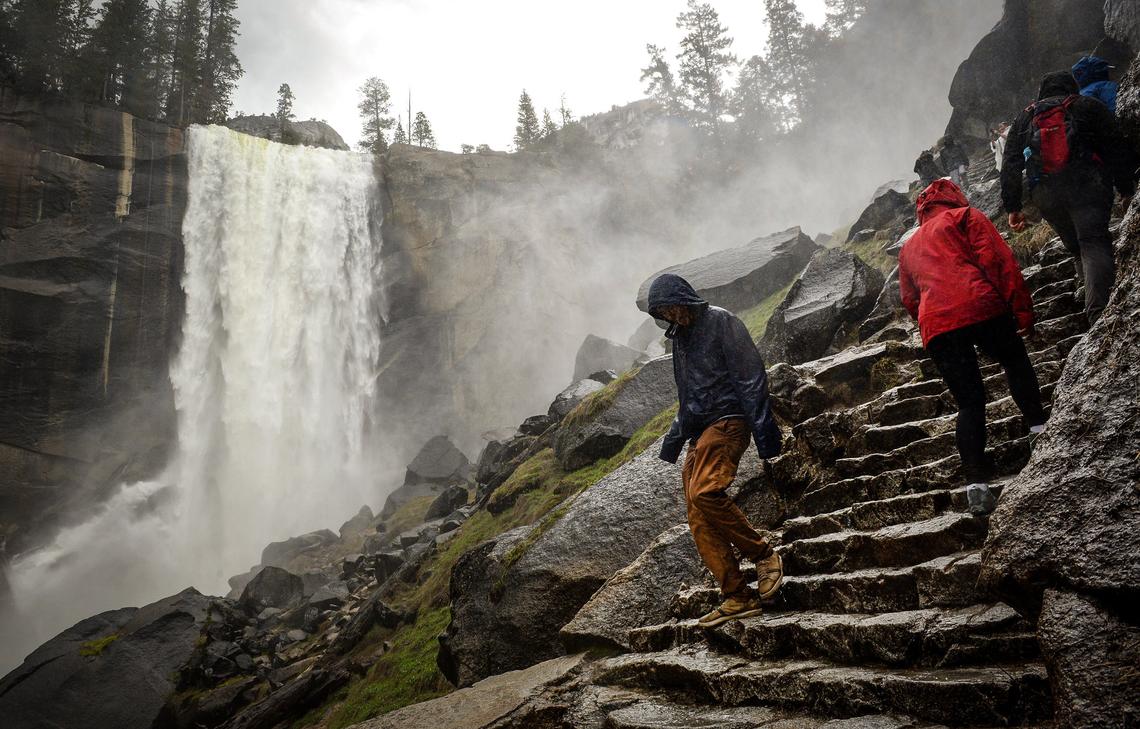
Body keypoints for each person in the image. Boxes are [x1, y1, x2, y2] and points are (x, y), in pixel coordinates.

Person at [899, 179, 1047, 515]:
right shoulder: (966, 217)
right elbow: (999, 262)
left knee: (969, 402)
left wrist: (930, 323)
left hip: (937, 325)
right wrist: (1023, 311)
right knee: (1015, 361)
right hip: (981, 306)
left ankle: (976, 486)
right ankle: (1038, 429)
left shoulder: (908, 246)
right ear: (953, 197)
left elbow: (909, 298)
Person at [647, 273, 783, 627]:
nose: (672, 315)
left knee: (706, 491)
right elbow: (688, 396)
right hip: (700, 433)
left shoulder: (722, 321)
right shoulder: (679, 339)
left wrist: (766, 436)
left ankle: (764, 555)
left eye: (673, 306)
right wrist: (674, 442)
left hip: (728, 421)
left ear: (685, 298)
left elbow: (751, 378)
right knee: (698, 518)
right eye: (664, 312)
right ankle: (737, 595)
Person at [1002, 71, 1135, 324]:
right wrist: (1126, 188)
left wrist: (1013, 206)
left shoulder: (1025, 117)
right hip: (1087, 184)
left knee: (1075, 247)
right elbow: (1115, 145)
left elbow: (1010, 162)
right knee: (1093, 242)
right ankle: (1099, 314)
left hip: (1046, 194)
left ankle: (1090, 299)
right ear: (1071, 87)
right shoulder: (1085, 106)